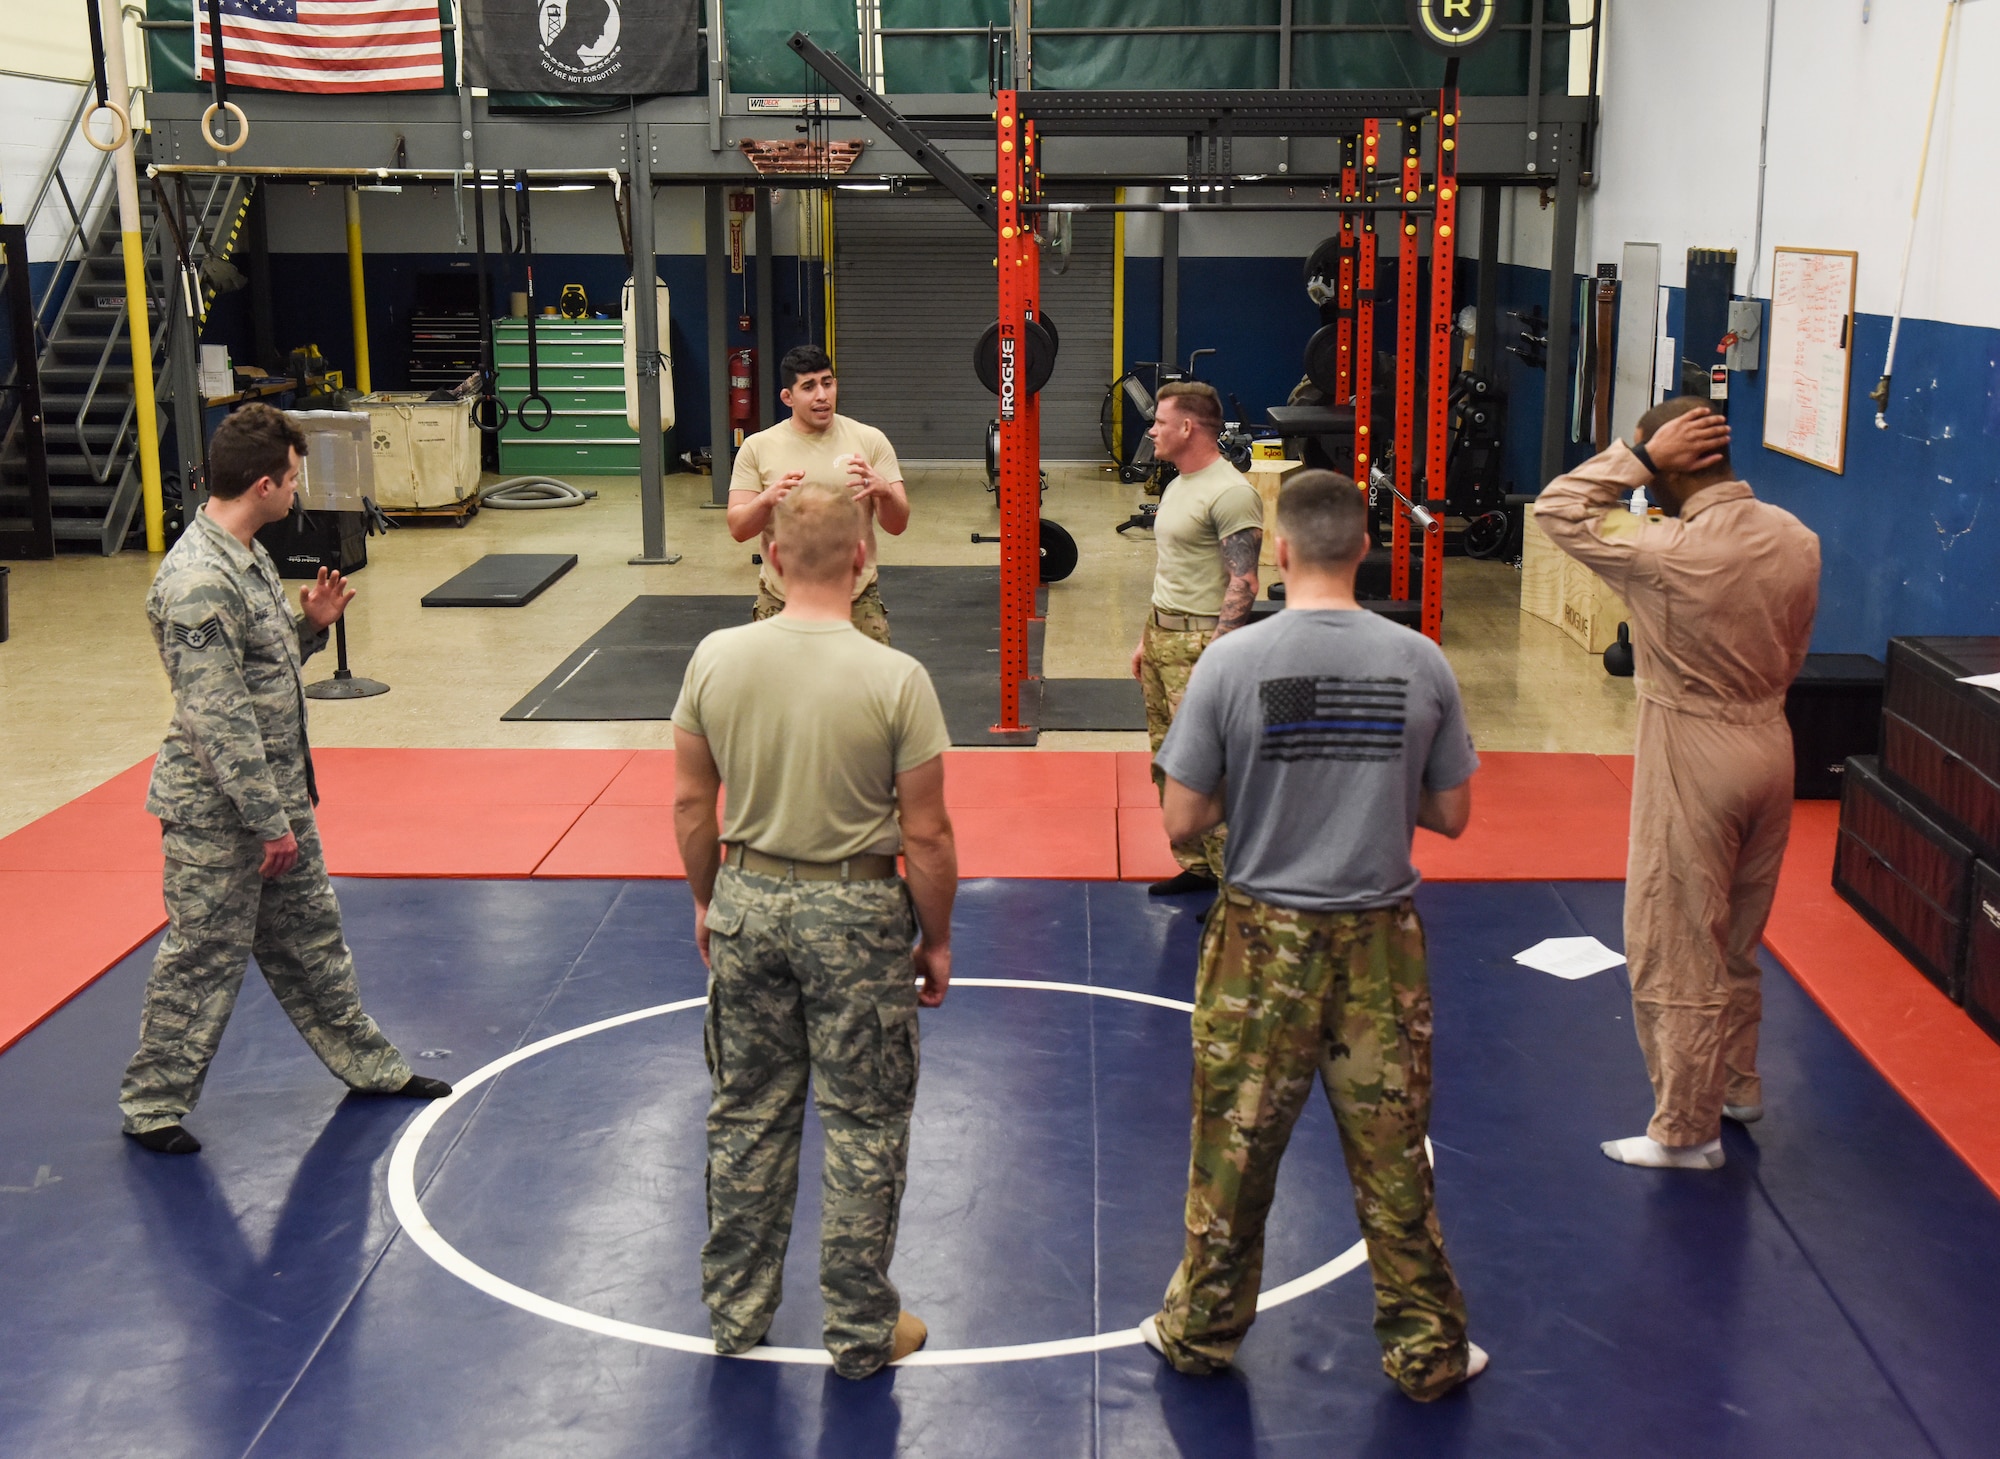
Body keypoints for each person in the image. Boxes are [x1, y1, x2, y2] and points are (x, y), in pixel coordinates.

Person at [1140, 470, 1487, 1401]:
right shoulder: (1421, 660)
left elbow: (1181, 822)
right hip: (1380, 941)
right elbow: (1451, 813)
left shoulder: (1234, 663)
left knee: (1235, 1147)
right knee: (1393, 1151)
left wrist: (1264, 785)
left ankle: (1201, 1330)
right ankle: (1428, 1349)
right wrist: (1372, 780)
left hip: (1263, 942)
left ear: (1282, 552)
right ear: (1365, 548)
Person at [673, 479, 958, 1379]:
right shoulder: (895, 676)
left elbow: (691, 801)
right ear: (862, 558)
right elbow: (928, 832)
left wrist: (707, 897)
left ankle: (736, 1311)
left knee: (747, 1113)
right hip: (857, 909)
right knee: (865, 1123)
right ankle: (861, 1327)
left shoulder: (715, 657)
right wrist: (936, 937)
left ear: (774, 557)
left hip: (749, 899)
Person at [119, 404, 450, 1155]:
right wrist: (268, 822)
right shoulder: (200, 581)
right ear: (263, 484)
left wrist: (310, 627)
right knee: (204, 955)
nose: (298, 492)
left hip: (273, 798)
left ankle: (369, 1064)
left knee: (311, 940)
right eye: (293, 479)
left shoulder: (249, 556)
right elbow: (218, 714)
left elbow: (258, 676)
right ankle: (152, 1103)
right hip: (222, 813)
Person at [1536, 400, 1819, 1171]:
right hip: (1772, 741)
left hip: (1695, 748)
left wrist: (1635, 451)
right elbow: (1795, 646)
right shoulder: (1798, 537)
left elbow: (1560, 509)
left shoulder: (1662, 549)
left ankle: (1686, 1130)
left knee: (1674, 940)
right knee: (1736, 933)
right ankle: (1737, 1084)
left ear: (1671, 467)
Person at [1129, 380, 1265, 898]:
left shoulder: (1230, 492)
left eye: (1160, 422)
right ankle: (1199, 866)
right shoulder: (1177, 483)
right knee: (1170, 762)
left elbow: (1244, 581)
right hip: (1165, 636)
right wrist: (1150, 635)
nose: (1153, 431)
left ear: (1187, 427)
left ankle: (1236, 885)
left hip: (1203, 645)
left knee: (1210, 769)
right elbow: (1175, 569)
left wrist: (1217, 655)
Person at [726, 344, 910, 646]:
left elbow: (897, 525)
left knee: (869, 688)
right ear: (788, 397)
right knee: (778, 691)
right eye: (809, 387)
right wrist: (766, 500)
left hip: (855, 597)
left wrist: (887, 494)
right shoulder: (758, 447)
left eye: (827, 383)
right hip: (782, 598)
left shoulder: (869, 440)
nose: (822, 396)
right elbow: (738, 529)